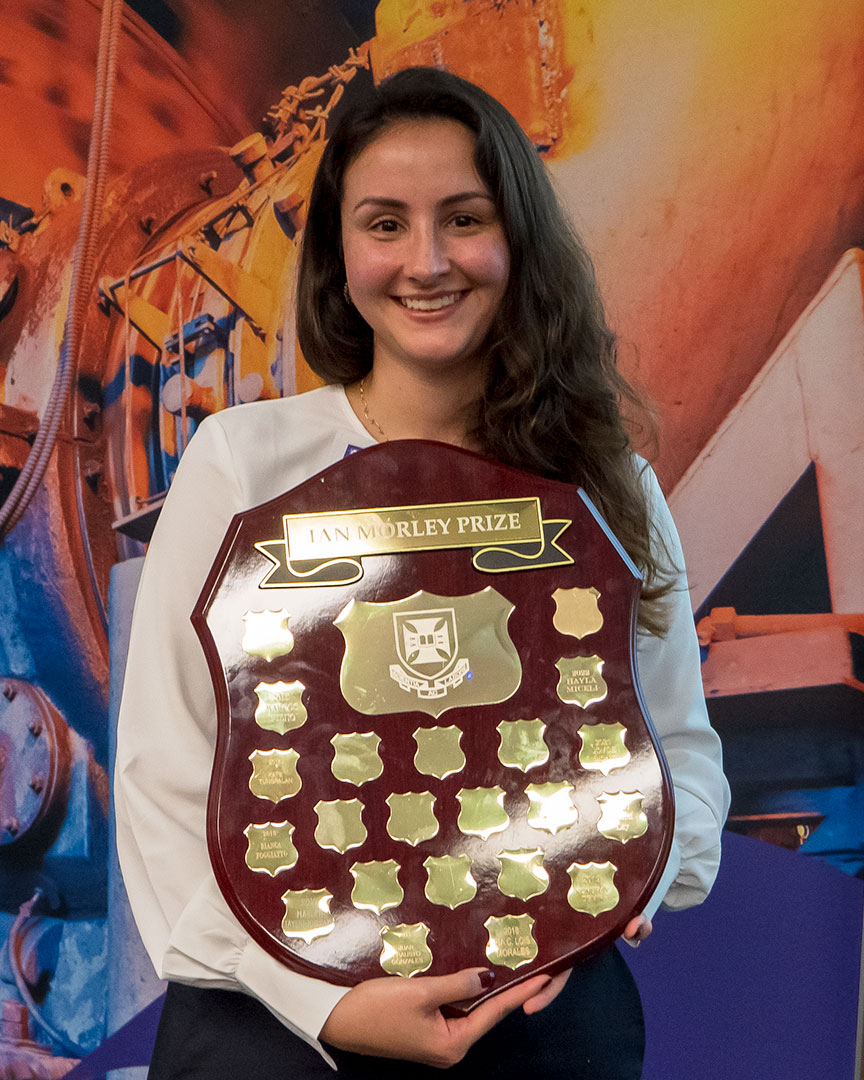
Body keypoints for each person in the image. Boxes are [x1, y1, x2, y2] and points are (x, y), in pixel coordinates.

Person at [115, 66, 730, 1078]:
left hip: (535, 1011)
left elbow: (681, 750)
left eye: (464, 218)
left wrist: (627, 881)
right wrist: (327, 1007)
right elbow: (164, 784)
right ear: (339, 251)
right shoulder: (242, 463)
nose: (427, 261)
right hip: (275, 1032)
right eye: (385, 223)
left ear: (516, 240)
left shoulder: (602, 483)